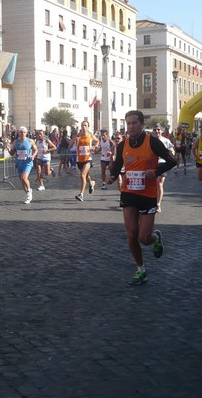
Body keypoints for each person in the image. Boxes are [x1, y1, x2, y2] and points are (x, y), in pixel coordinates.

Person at [107, 111, 176, 285]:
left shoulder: (152, 142)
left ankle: (155, 238)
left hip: (147, 195)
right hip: (129, 192)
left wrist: (156, 171)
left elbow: (172, 161)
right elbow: (118, 168)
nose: (131, 126)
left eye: (134, 123)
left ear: (142, 124)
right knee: (131, 235)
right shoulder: (123, 145)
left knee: (143, 238)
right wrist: (112, 176)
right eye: (128, 123)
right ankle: (141, 270)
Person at [68, 121, 99, 202]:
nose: (83, 127)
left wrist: (94, 147)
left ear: (88, 127)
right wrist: (72, 143)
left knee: (82, 175)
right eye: (82, 125)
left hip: (88, 159)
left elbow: (97, 141)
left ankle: (81, 194)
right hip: (79, 159)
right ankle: (91, 183)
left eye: (85, 125)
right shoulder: (77, 136)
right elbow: (70, 145)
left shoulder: (90, 135)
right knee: (86, 175)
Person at [6, 126, 37, 204]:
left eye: (24, 132)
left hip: (28, 162)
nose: (22, 134)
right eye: (21, 132)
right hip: (19, 163)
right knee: (22, 180)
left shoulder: (30, 141)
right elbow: (12, 153)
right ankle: (27, 194)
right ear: (18, 133)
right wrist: (9, 149)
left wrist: (33, 156)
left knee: (24, 177)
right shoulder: (16, 142)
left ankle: (29, 191)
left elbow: (36, 150)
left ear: (26, 133)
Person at [152, 124, 174, 211]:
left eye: (158, 129)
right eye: (155, 130)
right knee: (153, 184)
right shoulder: (150, 141)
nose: (156, 131)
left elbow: (172, 148)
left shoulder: (166, 140)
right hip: (152, 164)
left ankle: (158, 204)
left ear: (161, 131)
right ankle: (153, 201)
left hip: (163, 163)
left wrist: (172, 153)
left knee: (159, 182)